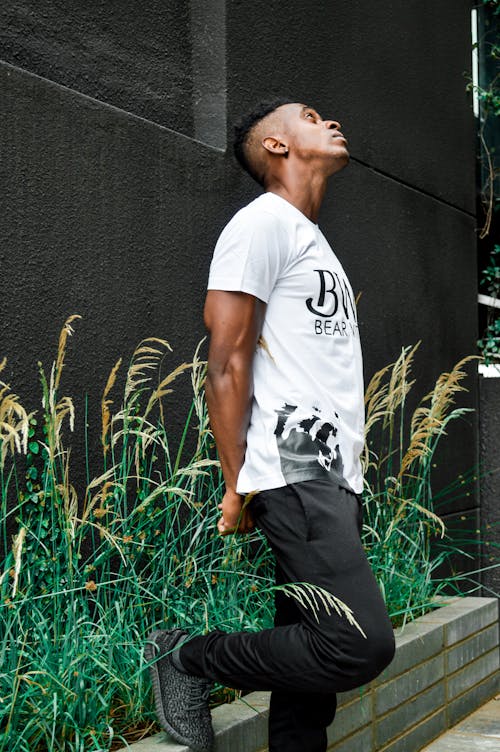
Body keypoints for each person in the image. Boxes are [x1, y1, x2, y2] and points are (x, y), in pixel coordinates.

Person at [145, 98, 396, 752]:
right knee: (357, 642)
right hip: (296, 467)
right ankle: (187, 657)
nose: (332, 120)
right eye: (311, 115)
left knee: (309, 689)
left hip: (335, 478)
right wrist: (239, 484)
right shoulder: (262, 224)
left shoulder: (312, 242)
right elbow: (226, 361)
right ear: (277, 147)